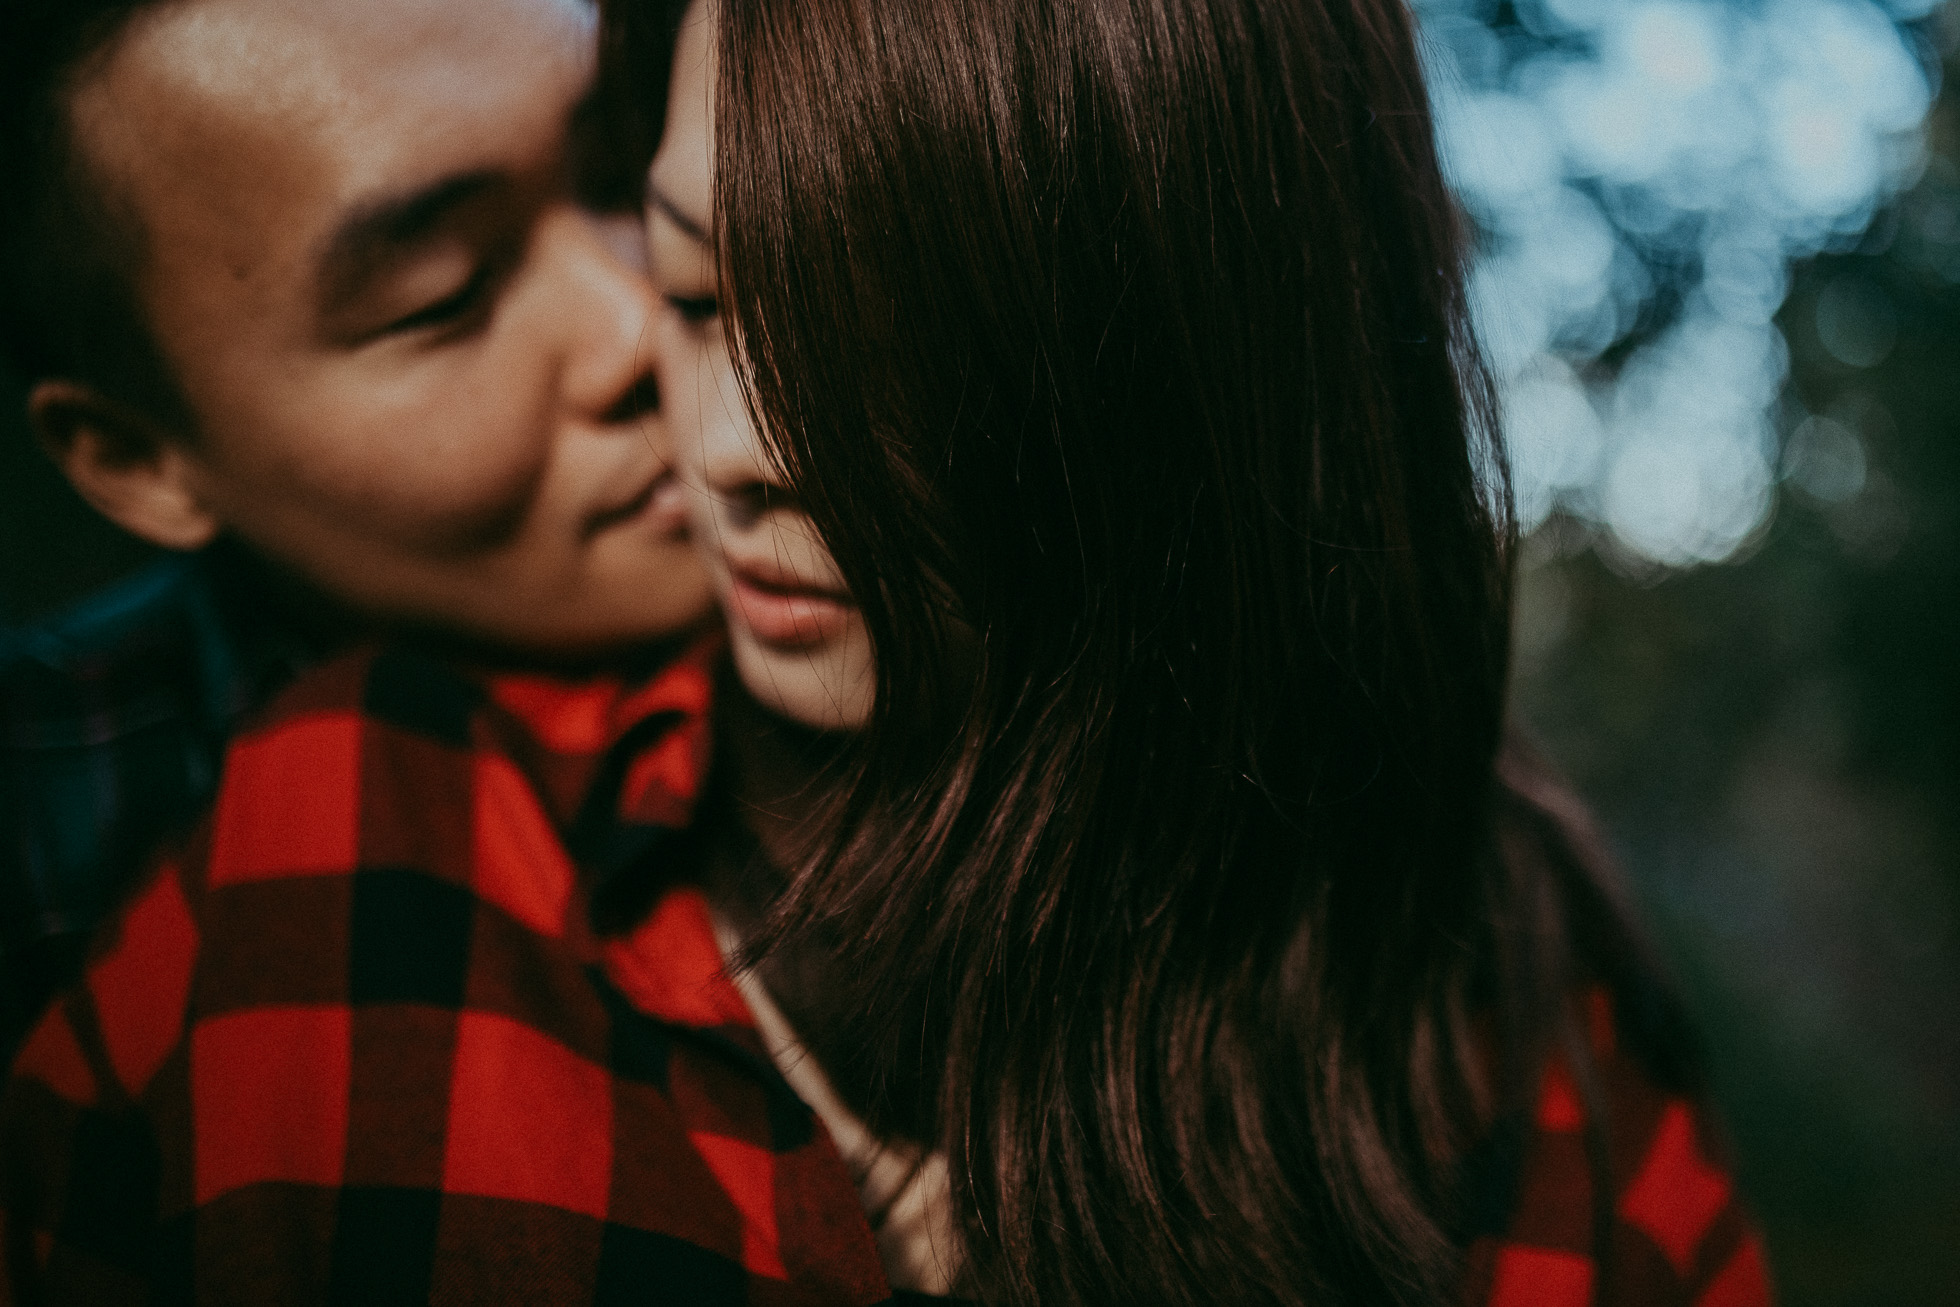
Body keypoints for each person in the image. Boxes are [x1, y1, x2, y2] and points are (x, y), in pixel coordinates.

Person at [641, 0, 1777, 1303]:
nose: (740, 450)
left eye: (882, 353)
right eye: (696, 296)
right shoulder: (414, 858)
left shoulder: (1543, 1065)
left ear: (1201, 374)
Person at [0, 0, 713, 1052]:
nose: (641, 320)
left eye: (627, 173)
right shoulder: (48, 839)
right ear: (138, 458)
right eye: (443, 297)